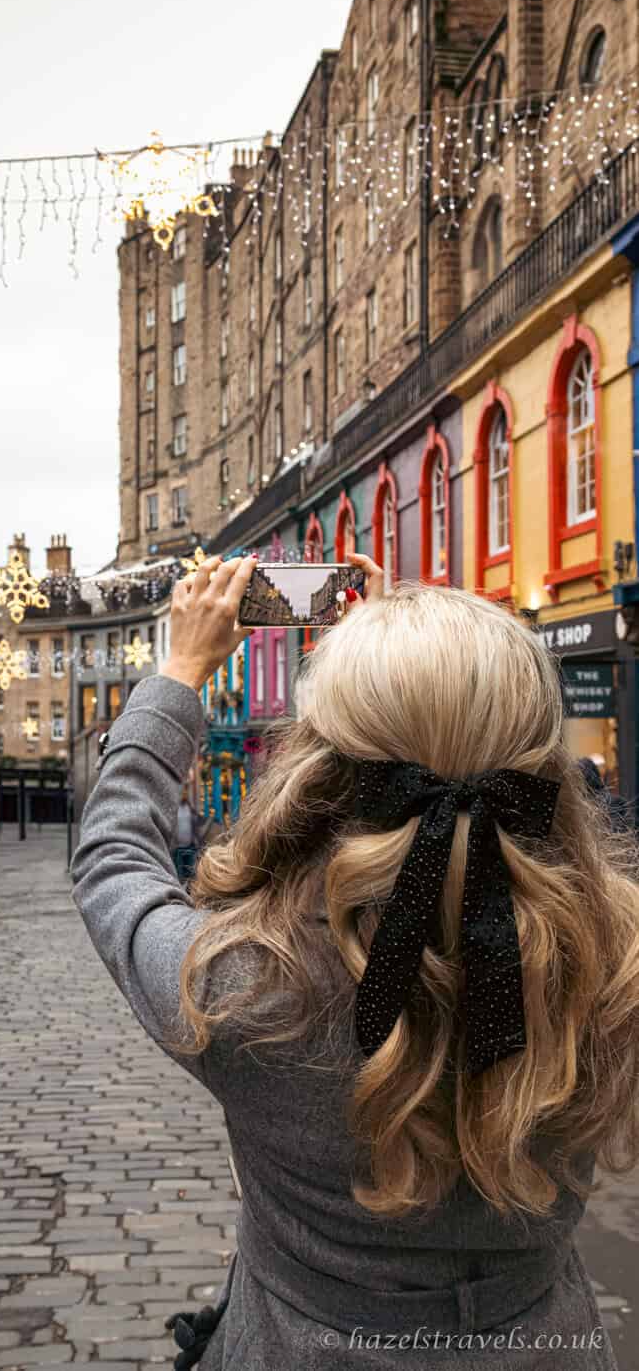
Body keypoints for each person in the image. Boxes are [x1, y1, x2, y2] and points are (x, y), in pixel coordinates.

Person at [71, 552, 639, 1371]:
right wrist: (410, 678)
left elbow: (114, 863)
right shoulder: (611, 959)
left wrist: (182, 673)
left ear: (325, 773)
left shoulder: (249, 988)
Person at [172, 786, 212, 884]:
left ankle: (189, 893)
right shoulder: (173, 811)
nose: (184, 796)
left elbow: (198, 824)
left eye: (185, 794)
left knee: (190, 873)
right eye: (182, 794)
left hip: (190, 846)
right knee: (179, 874)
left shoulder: (190, 809)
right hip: (178, 848)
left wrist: (210, 818)